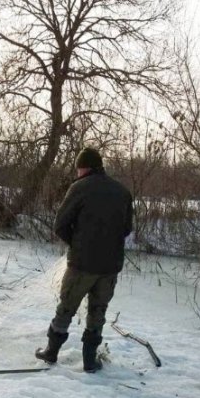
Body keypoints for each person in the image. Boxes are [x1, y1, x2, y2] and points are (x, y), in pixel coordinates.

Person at [36, 147, 133, 372]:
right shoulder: (122, 191)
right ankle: (90, 361)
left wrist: (78, 243)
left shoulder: (79, 188)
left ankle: (51, 352)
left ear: (84, 168)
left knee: (66, 308)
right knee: (98, 312)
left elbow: (60, 225)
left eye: (78, 168)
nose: (78, 173)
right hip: (110, 266)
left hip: (82, 264)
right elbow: (127, 229)